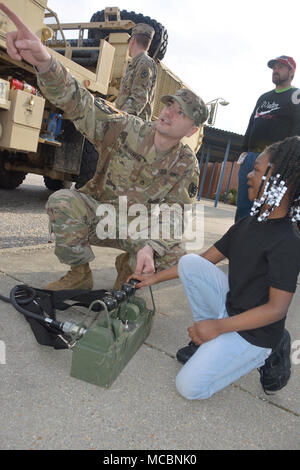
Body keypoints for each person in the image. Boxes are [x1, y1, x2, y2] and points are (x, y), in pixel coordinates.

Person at [1, 3, 208, 290]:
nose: (169, 112)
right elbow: (81, 103)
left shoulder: (186, 164)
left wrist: (150, 246)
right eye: (170, 105)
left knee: (173, 254)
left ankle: (129, 271)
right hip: (101, 216)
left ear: (192, 130)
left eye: (181, 113)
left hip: (137, 228)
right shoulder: (127, 128)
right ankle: (79, 274)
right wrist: (45, 62)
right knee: (62, 202)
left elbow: (176, 215)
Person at [129, 136, 300, 399]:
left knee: (188, 387)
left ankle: (269, 352)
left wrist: (217, 327)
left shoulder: (288, 241)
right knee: (190, 263)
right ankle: (211, 342)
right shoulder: (247, 223)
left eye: (256, 170)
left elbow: (276, 309)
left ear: (281, 181)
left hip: (256, 334)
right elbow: (205, 260)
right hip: (231, 310)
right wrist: (153, 279)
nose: (248, 176)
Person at [236, 55, 300, 222]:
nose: (275, 70)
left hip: (274, 161)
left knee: (267, 208)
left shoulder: (296, 96)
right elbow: (252, 123)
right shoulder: (264, 97)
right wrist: (244, 150)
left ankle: (261, 245)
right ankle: (239, 242)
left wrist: (285, 158)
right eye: (274, 67)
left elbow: (297, 129)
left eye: (280, 67)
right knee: (243, 205)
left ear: (291, 72)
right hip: (250, 157)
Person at [115, 23, 158, 122]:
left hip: (133, 127)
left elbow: (139, 97)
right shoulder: (137, 63)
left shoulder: (144, 63)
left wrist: (120, 120)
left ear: (133, 40)